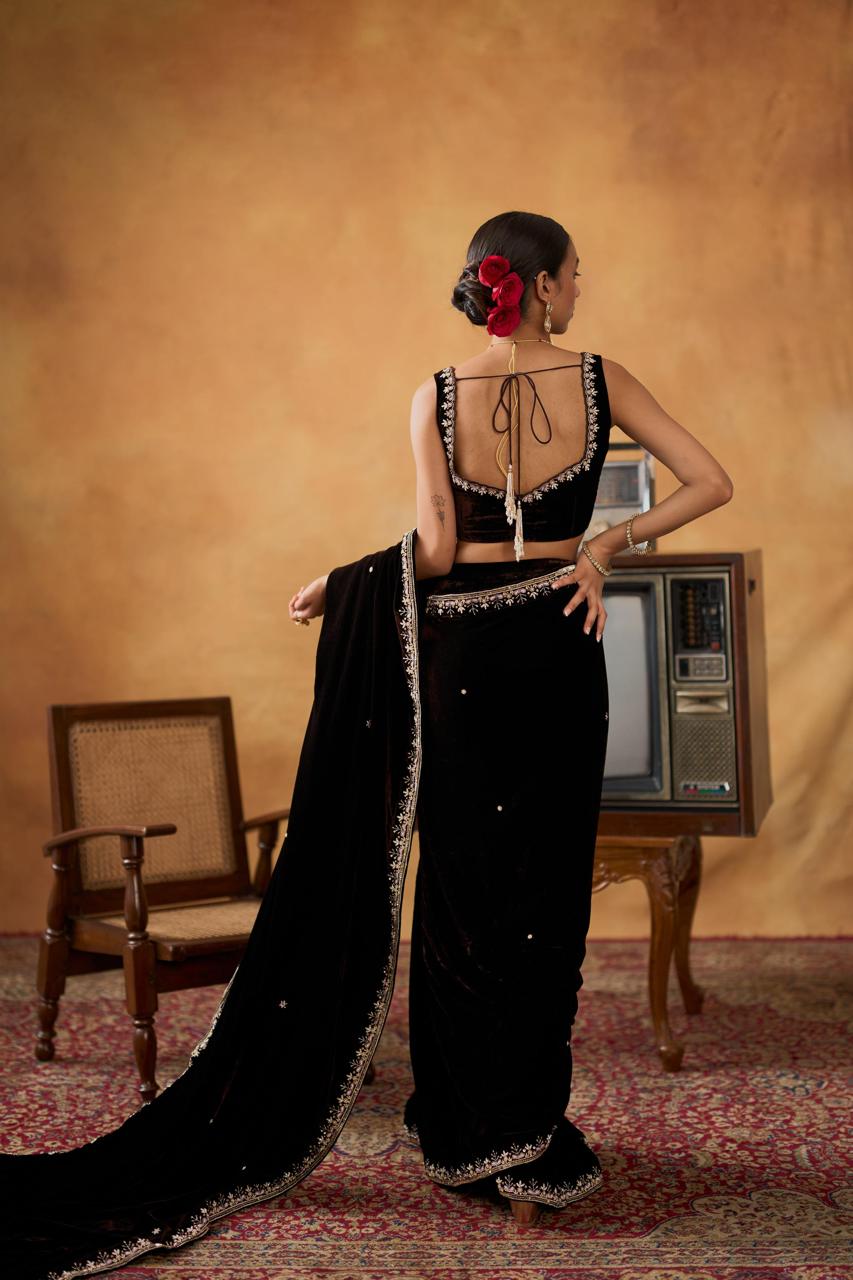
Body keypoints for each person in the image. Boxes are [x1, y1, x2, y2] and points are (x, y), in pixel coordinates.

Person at [0, 211, 733, 1274]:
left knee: (462, 896)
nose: (581, 289)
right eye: (575, 274)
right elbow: (712, 480)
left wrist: (342, 584)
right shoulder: (601, 381)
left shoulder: (434, 395)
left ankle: (467, 1132)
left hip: (460, 657)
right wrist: (603, 548)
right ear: (538, 285)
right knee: (543, 895)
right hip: (556, 650)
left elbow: (433, 548)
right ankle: (523, 1138)